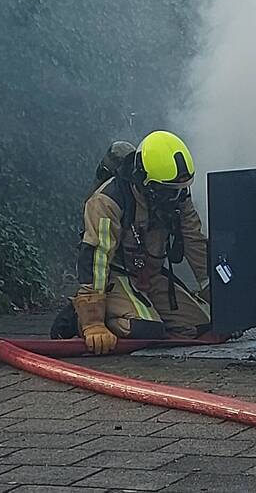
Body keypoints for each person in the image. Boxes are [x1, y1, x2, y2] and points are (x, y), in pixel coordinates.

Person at [72, 130, 212, 354]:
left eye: (180, 190)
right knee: (145, 329)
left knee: (202, 323)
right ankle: (78, 317)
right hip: (114, 277)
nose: (176, 197)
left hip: (151, 275)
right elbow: (97, 256)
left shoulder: (177, 194)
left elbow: (195, 242)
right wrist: (93, 322)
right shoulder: (107, 201)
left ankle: (141, 309)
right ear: (145, 182)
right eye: (168, 191)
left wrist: (218, 295)